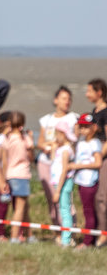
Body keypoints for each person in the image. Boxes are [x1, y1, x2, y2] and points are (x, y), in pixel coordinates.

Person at [37, 86, 77, 224]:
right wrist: (49, 146)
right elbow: (40, 142)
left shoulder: (73, 118)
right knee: (52, 199)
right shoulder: (47, 119)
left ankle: (70, 231)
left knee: (65, 198)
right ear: (56, 100)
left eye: (69, 99)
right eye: (64, 98)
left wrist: (61, 148)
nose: (67, 101)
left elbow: (75, 141)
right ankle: (57, 230)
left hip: (63, 163)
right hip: (46, 162)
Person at [0, 111, 34, 243]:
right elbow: (31, 157)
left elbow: (4, 161)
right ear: (22, 124)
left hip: (10, 175)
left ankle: (29, 235)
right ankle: (14, 237)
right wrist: (31, 139)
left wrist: (4, 179)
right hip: (22, 174)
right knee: (19, 208)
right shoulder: (24, 139)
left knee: (24, 207)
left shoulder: (7, 139)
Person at [70, 114, 102, 248]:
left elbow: (97, 163)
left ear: (94, 128)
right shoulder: (81, 142)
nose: (82, 130)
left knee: (89, 211)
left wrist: (77, 166)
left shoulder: (95, 143)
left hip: (89, 182)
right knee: (87, 210)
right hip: (81, 181)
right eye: (81, 127)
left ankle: (87, 242)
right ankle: (91, 239)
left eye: (85, 127)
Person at [87, 78, 107, 247]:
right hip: (95, 156)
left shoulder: (105, 112)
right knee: (95, 196)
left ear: (99, 92)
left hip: (103, 157)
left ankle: (103, 235)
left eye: (90, 91)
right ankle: (96, 232)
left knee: (102, 197)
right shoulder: (95, 111)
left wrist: (99, 156)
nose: (87, 94)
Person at [48, 128, 76, 248]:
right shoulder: (60, 149)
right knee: (63, 210)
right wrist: (54, 149)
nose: (54, 139)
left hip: (63, 183)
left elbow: (64, 170)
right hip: (58, 182)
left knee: (65, 211)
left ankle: (66, 240)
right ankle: (66, 237)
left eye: (56, 136)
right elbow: (53, 161)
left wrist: (58, 191)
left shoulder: (66, 150)